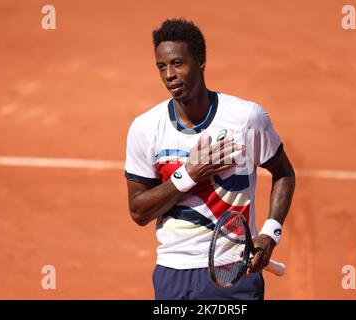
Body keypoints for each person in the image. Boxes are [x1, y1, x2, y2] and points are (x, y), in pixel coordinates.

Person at [125, 18, 295, 300]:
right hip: (173, 272)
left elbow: (283, 172)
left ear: (201, 61)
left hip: (235, 270)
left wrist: (271, 232)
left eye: (178, 63)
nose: (169, 74)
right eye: (162, 66)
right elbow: (138, 211)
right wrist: (189, 174)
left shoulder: (246, 119)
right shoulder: (145, 128)